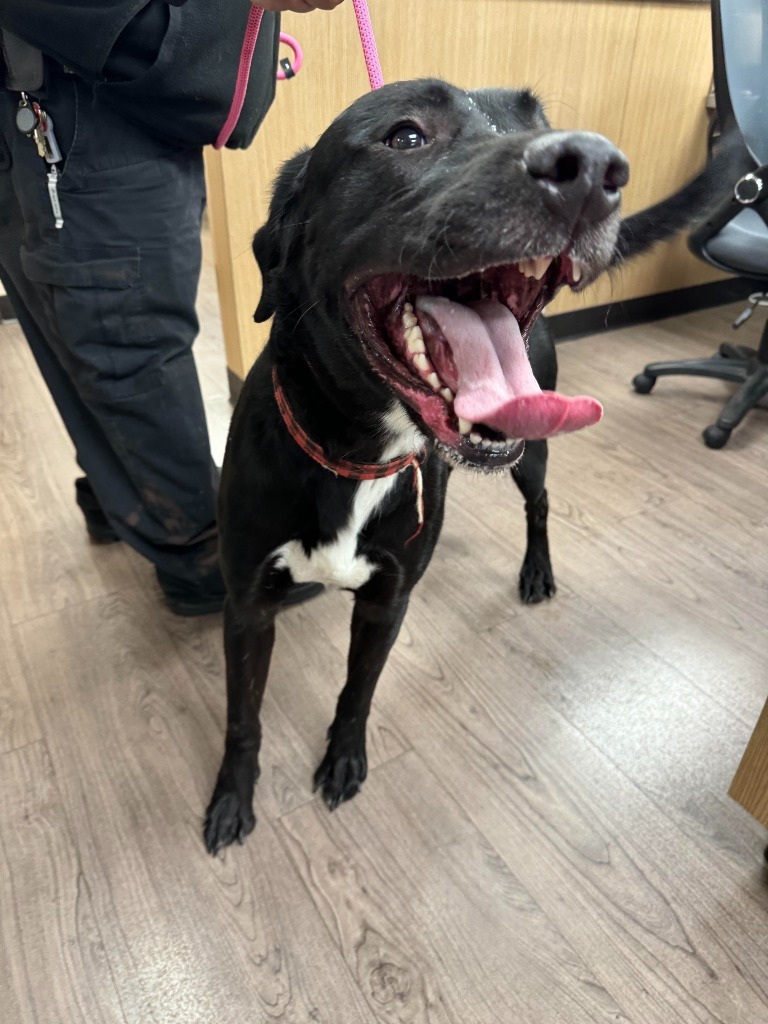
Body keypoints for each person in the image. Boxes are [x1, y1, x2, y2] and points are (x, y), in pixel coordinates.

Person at [0, 0, 344, 615]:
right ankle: (200, 557)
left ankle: (117, 495)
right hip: (85, 97)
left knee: (72, 321)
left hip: (43, 97)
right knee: (128, 343)